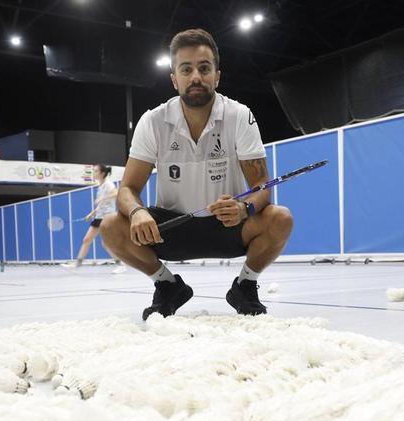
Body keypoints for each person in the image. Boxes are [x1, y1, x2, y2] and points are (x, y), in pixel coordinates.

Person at [100, 28, 294, 320]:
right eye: (186, 69)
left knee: (281, 219)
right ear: (174, 79)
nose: (195, 77)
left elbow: (262, 185)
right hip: (171, 228)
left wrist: (244, 207)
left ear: (217, 76)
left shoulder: (239, 115)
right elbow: (127, 189)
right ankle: (167, 286)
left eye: (204, 68)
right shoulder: (152, 121)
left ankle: (245, 286)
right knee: (111, 227)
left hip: (228, 225)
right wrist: (138, 212)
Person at [62, 164, 126, 274]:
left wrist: (103, 197)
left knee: (106, 244)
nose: (93, 173)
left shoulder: (108, 184)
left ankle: (121, 264)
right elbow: (102, 204)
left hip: (107, 218)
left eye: (96, 171)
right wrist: (92, 213)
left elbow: (116, 193)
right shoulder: (101, 186)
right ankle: (78, 264)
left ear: (102, 173)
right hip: (99, 217)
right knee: (87, 239)